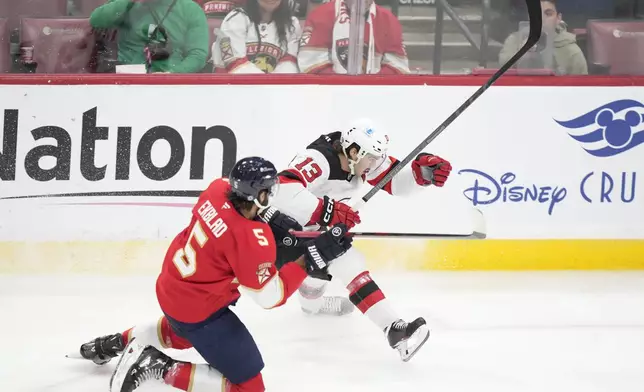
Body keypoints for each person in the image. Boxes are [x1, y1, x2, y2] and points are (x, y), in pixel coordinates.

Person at [81, 156, 353, 392]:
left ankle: (113, 344)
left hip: (172, 286)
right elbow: (271, 297)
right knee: (250, 387)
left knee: (180, 333)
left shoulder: (217, 189)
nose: (271, 194)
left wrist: (268, 221)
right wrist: (310, 259)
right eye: (268, 191)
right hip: (197, 309)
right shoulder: (250, 239)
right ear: (256, 195)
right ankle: (159, 366)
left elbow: (237, 225)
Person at [272, 118, 452, 361]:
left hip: (317, 230)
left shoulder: (360, 155)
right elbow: (281, 191)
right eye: (372, 159)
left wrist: (420, 176)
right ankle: (393, 329)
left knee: (323, 278)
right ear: (354, 152)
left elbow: (395, 183)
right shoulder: (318, 159)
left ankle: (315, 305)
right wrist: (328, 211)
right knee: (347, 262)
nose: (375, 165)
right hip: (285, 233)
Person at [89, 0, 209, 73]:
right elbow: (96, 21)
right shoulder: (128, 4)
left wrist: (172, 74)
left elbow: (197, 55)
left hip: (171, 84)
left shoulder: (191, 9)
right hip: (127, 80)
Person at [297, 0, 409, 74]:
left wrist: (372, 86)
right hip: (330, 96)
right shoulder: (320, 15)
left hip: (375, 97)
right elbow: (312, 65)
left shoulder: (389, 20)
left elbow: (396, 68)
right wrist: (343, 87)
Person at [499, 0, 588, 75]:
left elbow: (581, 90)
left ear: (558, 18)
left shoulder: (571, 51)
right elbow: (501, 78)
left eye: (548, 14)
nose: (541, 18)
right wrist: (520, 54)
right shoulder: (513, 42)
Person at [212, 0, 301, 73]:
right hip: (231, 88)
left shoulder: (292, 24)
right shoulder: (235, 19)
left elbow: (289, 65)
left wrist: (275, 87)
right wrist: (267, 86)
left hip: (275, 90)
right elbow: (235, 66)